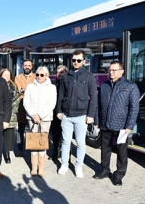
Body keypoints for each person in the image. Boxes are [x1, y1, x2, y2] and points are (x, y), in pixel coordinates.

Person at [93, 61, 139, 186]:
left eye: (114, 70)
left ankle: (119, 175)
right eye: (110, 70)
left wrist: (129, 126)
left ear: (121, 71)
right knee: (105, 149)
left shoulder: (130, 86)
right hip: (105, 124)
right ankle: (104, 170)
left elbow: (134, 108)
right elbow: (98, 105)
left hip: (122, 126)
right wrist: (97, 121)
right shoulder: (104, 85)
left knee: (121, 151)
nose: (111, 72)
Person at [56, 49, 97, 178]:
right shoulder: (67, 76)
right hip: (67, 115)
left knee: (80, 142)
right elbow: (61, 94)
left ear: (84, 61)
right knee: (65, 142)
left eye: (79, 60)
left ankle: (79, 166)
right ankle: (64, 164)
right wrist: (59, 110)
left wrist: (91, 115)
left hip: (81, 115)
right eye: (74, 60)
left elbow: (93, 97)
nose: (76, 62)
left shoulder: (89, 77)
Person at [23, 66, 57, 177]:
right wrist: (34, 114)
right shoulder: (30, 86)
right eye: (37, 74)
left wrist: (40, 115)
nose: (39, 77)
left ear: (46, 76)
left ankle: (41, 168)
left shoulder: (52, 88)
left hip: (45, 119)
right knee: (34, 142)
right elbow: (26, 102)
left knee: (42, 142)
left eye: (42, 75)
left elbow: (52, 103)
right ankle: (34, 167)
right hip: (32, 119)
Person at [15, 59, 36, 157]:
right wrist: (28, 90)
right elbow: (18, 90)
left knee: (33, 128)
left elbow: (25, 90)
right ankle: (20, 149)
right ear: (22, 66)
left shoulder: (37, 76)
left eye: (29, 65)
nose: (27, 67)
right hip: (22, 106)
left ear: (32, 66)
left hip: (34, 106)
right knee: (21, 129)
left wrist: (24, 90)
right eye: (25, 65)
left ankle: (34, 149)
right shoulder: (18, 78)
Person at [0, 68, 20, 164]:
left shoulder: (14, 86)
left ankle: (7, 153)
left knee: (9, 135)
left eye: (8, 75)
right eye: (5, 75)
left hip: (11, 114)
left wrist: (13, 111)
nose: (7, 77)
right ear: (1, 76)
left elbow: (17, 100)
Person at [50, 65, 68, 160]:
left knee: (66, 136)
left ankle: (66, 155)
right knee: (55, 134)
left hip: (66, 113)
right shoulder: (53, 84)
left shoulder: (69, 83)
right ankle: (55, 153)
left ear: (65, 73)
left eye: (61, 72)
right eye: (57, 72)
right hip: (55, 113)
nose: (59, 74)